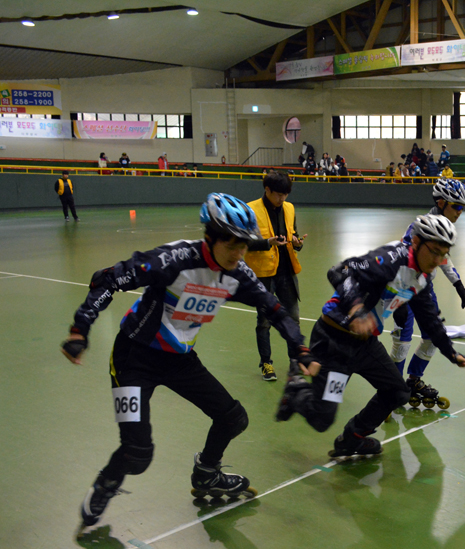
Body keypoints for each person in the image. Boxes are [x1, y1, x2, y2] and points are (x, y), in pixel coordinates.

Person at [64, 193, 312, 527]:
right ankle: (105, 484)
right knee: (137, 454)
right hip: (133, 358)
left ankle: (207, 473)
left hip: (179, 359)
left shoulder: (237, 273)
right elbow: (105, 279)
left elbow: (274, 308)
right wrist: (80, 329)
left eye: (245, 246)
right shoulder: (172, 260)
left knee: (233, 418)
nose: (240, 254)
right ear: (211, 237)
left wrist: (299, 348)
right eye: (233, 245)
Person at [276, 215, 465, 458]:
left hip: (365, 345)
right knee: (321, 419)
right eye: (434, 252)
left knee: (398, 392)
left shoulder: (420, 278)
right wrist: (357, 310)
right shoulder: (391, 259)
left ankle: (352, 439)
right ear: (417, 242)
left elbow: (429, 318)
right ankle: (296, 391)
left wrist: (451, 352)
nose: (438, 260)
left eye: (444, 254)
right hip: (335, 342)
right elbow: (339, 271)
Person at [388, 179, 465, 407]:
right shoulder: (420, 226)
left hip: (425, 287)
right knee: (402, 342)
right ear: (442, 202)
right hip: (404, 286)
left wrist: (458, 284)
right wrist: (401, 304)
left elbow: (442, 257)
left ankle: (414, 380)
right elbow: (403, 262)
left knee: (434, 337)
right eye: (457, 206)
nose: (460, 212)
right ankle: (392, 387)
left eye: (463, 208)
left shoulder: (445, 227)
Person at [243, 171, 305, 381]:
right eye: (279, 194)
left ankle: (295, 362)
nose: (282, 199)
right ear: (267, 189)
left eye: (286, 194)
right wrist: (267, 242)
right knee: (264, 321)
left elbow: (293, 234)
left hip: (286, 272)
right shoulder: (250, 210)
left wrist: (297, 243)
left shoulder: (289, 208)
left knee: (294, 319)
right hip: (263, 274)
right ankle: (266, 363)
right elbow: (245, 243)